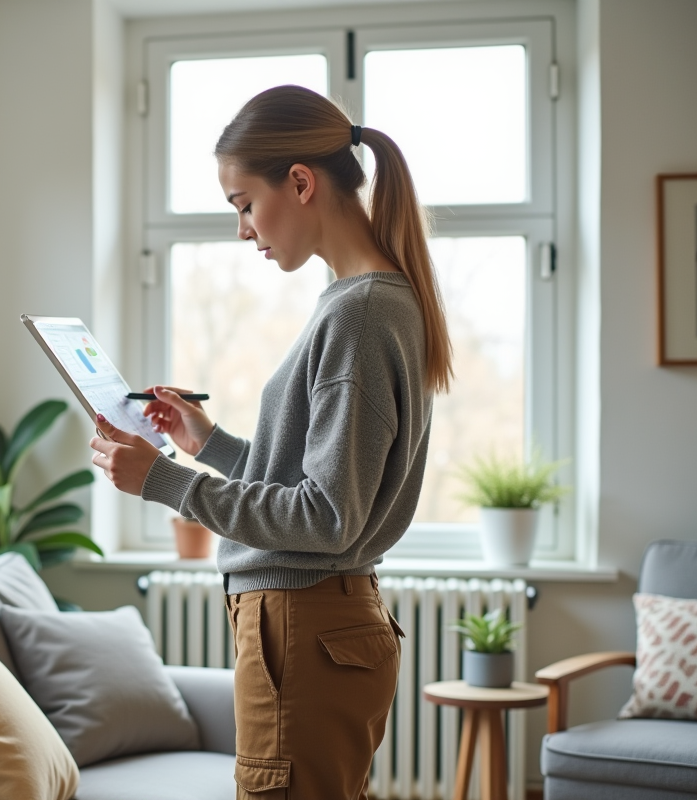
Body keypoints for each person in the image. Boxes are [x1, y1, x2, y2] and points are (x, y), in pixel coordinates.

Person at [88, 84, 452, 800]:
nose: (243, 229)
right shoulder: (365, 302)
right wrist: (210, 445)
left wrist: (164, 482)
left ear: (301, 182)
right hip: (316, 624)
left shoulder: (359, 314)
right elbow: (316, 484)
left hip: (304, 626)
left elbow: (325, 517)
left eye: (245, 204)